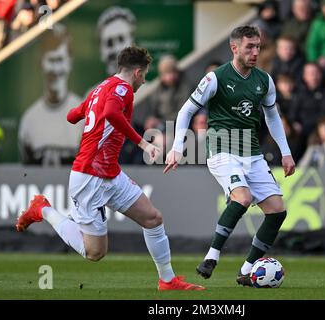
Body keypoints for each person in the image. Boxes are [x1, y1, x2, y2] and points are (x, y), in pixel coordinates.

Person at [15, 46, 205, 291]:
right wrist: (142, 143)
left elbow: (72, 116)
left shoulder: (100, 88)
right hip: (89, 176)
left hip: (110, 173)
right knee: (95, 253)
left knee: (153, 218)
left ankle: (167, 280)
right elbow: (112, 113)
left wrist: (89, 114)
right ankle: (42, 209)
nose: (145, 80)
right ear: (137, 72)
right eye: (145, 74)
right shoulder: (123, 89)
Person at [164, 26, 296, 286]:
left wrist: (286, 152)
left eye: (258, 46)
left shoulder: (264, 80)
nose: (255, 52)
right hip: (222, 149)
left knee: (277, 211)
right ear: (234, 48)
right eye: (249, 47)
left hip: (252, 151)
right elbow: (186, 111)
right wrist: (178, 147)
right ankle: (212, 256)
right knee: (243, 197)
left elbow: (272, 116)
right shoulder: (215, 78)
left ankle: (247, 270)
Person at [18, 24, 83, 165]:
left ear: (69, 63)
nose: (55, 69)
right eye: (50, 60)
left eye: (60, 60)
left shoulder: (86, 116)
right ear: (41, 62)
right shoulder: (29, 120)